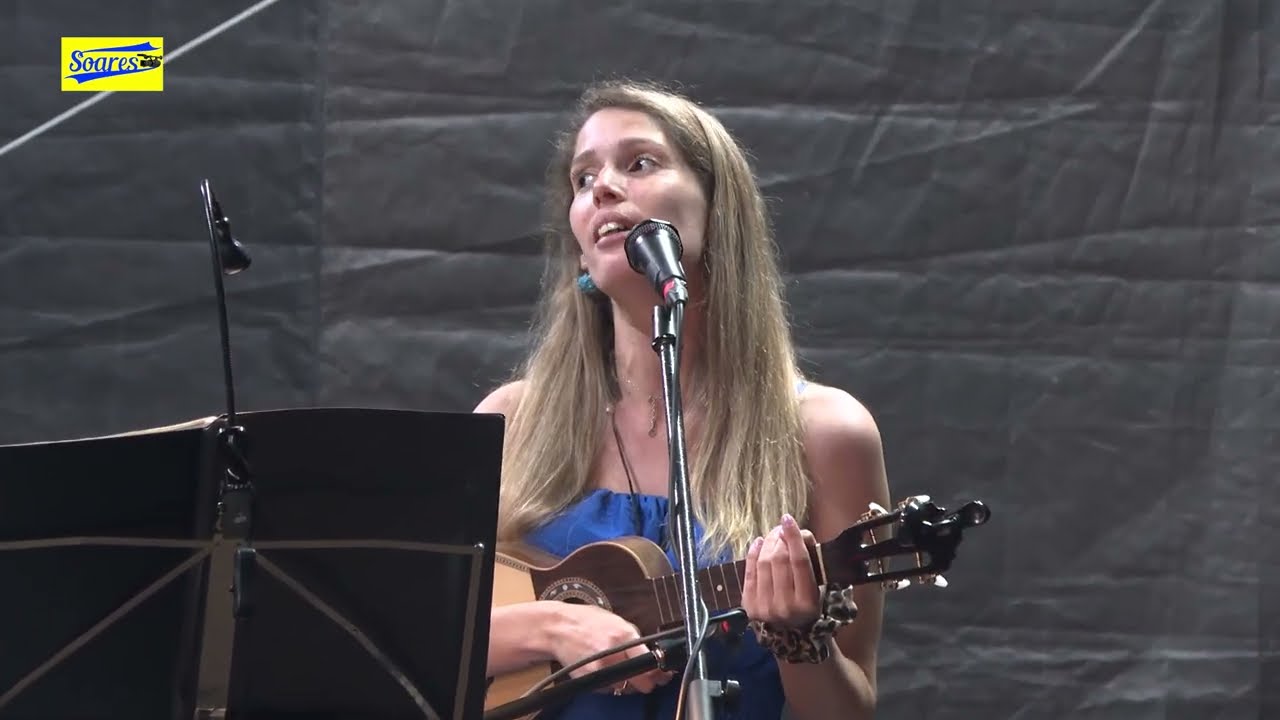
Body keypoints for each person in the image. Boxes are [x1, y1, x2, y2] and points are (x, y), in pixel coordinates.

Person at [474, 79, 890, 720]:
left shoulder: (826, 432)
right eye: (583, 180)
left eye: (638, 163)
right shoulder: (509, 422)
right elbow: (417, 647)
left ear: (717, 211)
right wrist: (551, 630)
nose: (603, 188)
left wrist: (797, 637)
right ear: (580, 248)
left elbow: (849, 711)